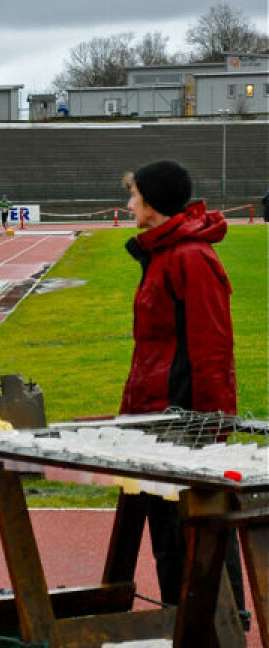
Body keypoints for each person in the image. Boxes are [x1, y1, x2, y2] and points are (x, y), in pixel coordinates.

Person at [121, 159, 246, 621]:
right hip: (153, 416)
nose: (128, 203)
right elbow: (153, 349)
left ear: (151, 202)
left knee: (201, 528)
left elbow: (212, 347)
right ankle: (183, 623)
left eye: (133, 195)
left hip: (183, 419)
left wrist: (210, 425)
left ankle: (224, 625)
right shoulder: (162, 253)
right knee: (167, 536)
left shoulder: (190, 256)